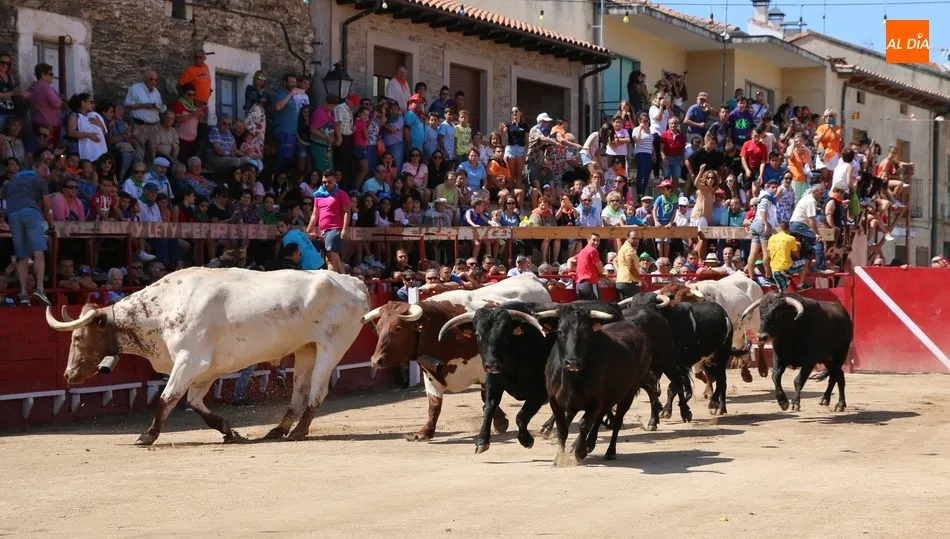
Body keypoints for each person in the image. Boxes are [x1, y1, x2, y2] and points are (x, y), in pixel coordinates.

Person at [0, 161, 55, 305]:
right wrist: (51, 226)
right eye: (44, 169)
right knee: (38, 251)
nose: (46, 173)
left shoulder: (10, 183)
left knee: (21, 256)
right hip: (31, 212)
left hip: (13, 215)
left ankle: (24, 294)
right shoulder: (40, 180)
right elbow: (48, 207)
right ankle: (40, 289)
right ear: (34, 169)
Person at [307, 170, 350, 273]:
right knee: (336, 260)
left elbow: (347, 212)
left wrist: (344, 229)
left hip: (335, 230)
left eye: (329, 182)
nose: (326, 184)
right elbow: (315, 214)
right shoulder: (318, 195)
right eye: (324, 182)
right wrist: (308, 230)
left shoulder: (341, 194)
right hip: (323, 231)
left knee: (330, 260)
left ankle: (332, 283)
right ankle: (345, 283)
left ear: (335, 180)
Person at [574, 233, 603, 300]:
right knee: (596, 306)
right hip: (590, 283)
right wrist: (603, 273)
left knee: (583, 308)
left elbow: (570, 260)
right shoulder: (593, 250)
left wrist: (570, 268)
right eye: (594, 240)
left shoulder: (582, 251)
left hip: (579, 285)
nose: (596, 243)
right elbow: (600, 269)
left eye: (598, 241)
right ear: (588, 240)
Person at [615, 229, 640, 299]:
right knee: (633, 307)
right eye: (633, 238)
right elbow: (631, 268)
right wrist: (641, 280)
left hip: (621, 281)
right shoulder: (629, 249)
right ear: (627, 238)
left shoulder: (622, 248)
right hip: (629, 282)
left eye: (637, 238)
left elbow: (615, 260)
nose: (636, 240)